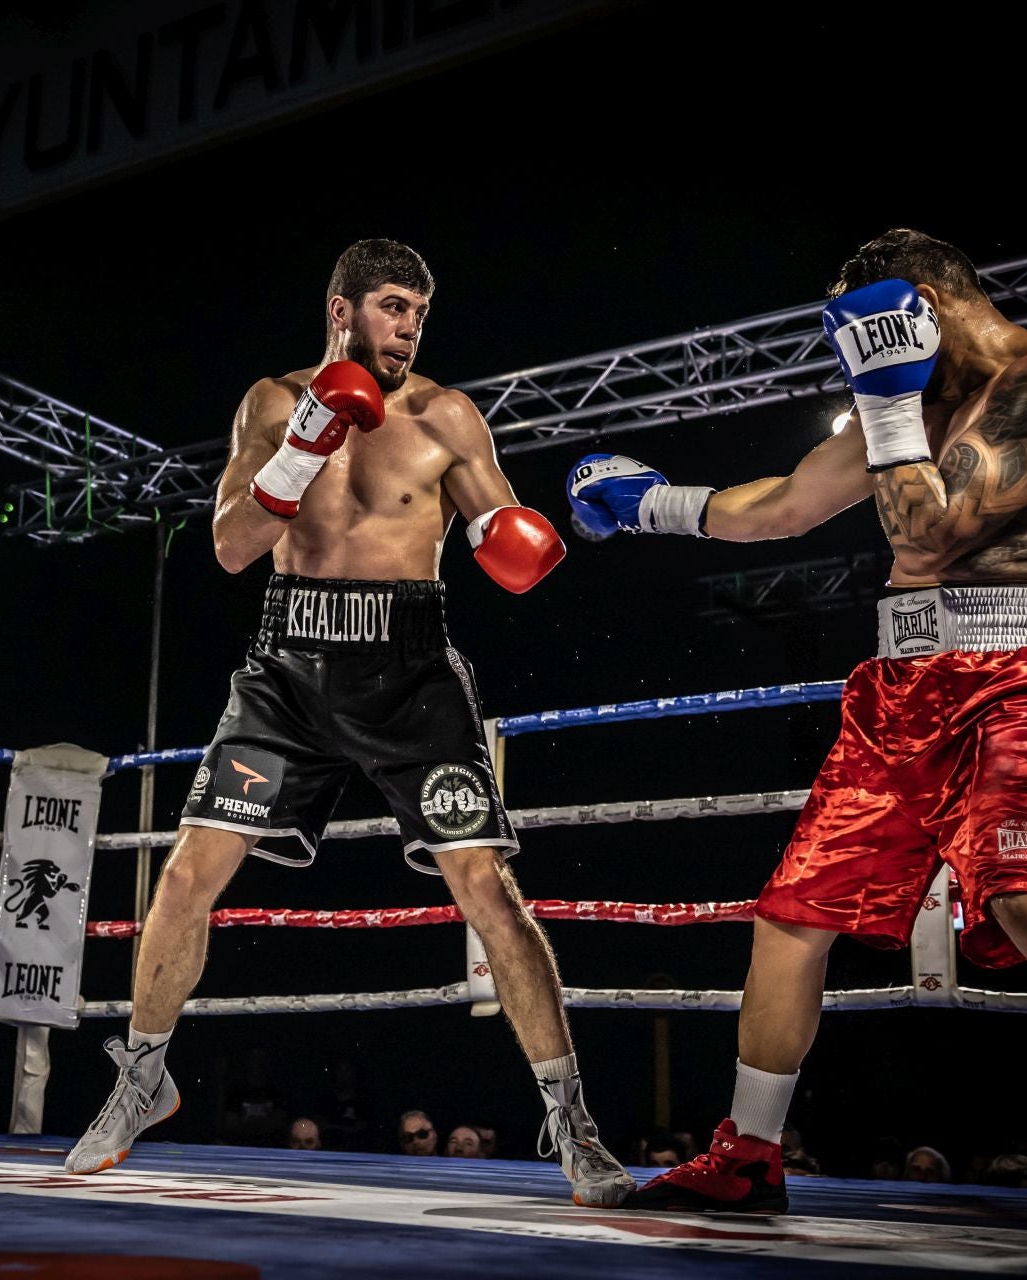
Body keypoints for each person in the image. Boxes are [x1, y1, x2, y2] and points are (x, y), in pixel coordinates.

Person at [571, 229, 1027, 1263]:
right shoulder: (908, 404)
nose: (866, 359)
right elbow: (781, 507)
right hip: (898, 693)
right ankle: (750, 1151)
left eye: (876, 332)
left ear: (926, 303)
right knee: (792, 913)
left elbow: (931, 534)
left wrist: (892, 395)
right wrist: (645, 504)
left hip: (1022, 674)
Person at [63, 239, 630, 1207]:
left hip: (413, 665)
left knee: (488, 883)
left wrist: (523, 534)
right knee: (189, 871)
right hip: (289, 661)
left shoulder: (448, 414)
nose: (410, 326)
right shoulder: (272, 402)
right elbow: (234, 548)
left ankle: (572, 1121)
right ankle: (143, 1075)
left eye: (420, 311)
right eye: (394, 306)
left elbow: (509, 540)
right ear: (343, 308)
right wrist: (307, 440)